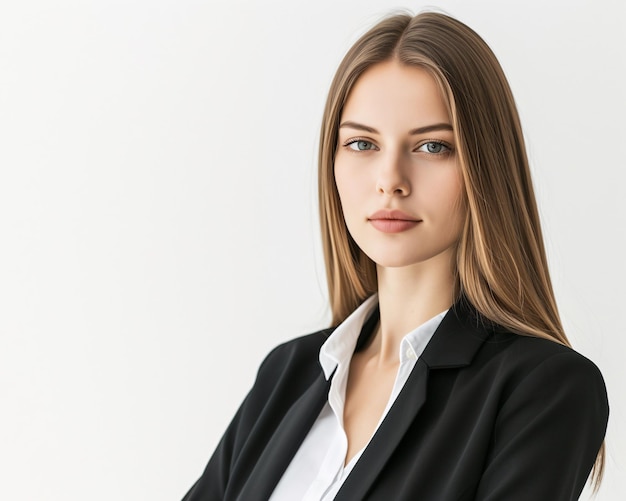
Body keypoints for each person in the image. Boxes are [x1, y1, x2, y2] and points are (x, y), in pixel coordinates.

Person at [182, 11, 608, 500]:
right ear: (333, 162)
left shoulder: (543, 390)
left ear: (483, 165)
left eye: (432, 146)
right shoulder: (288, 373)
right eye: (362, 143)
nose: (390, 179)